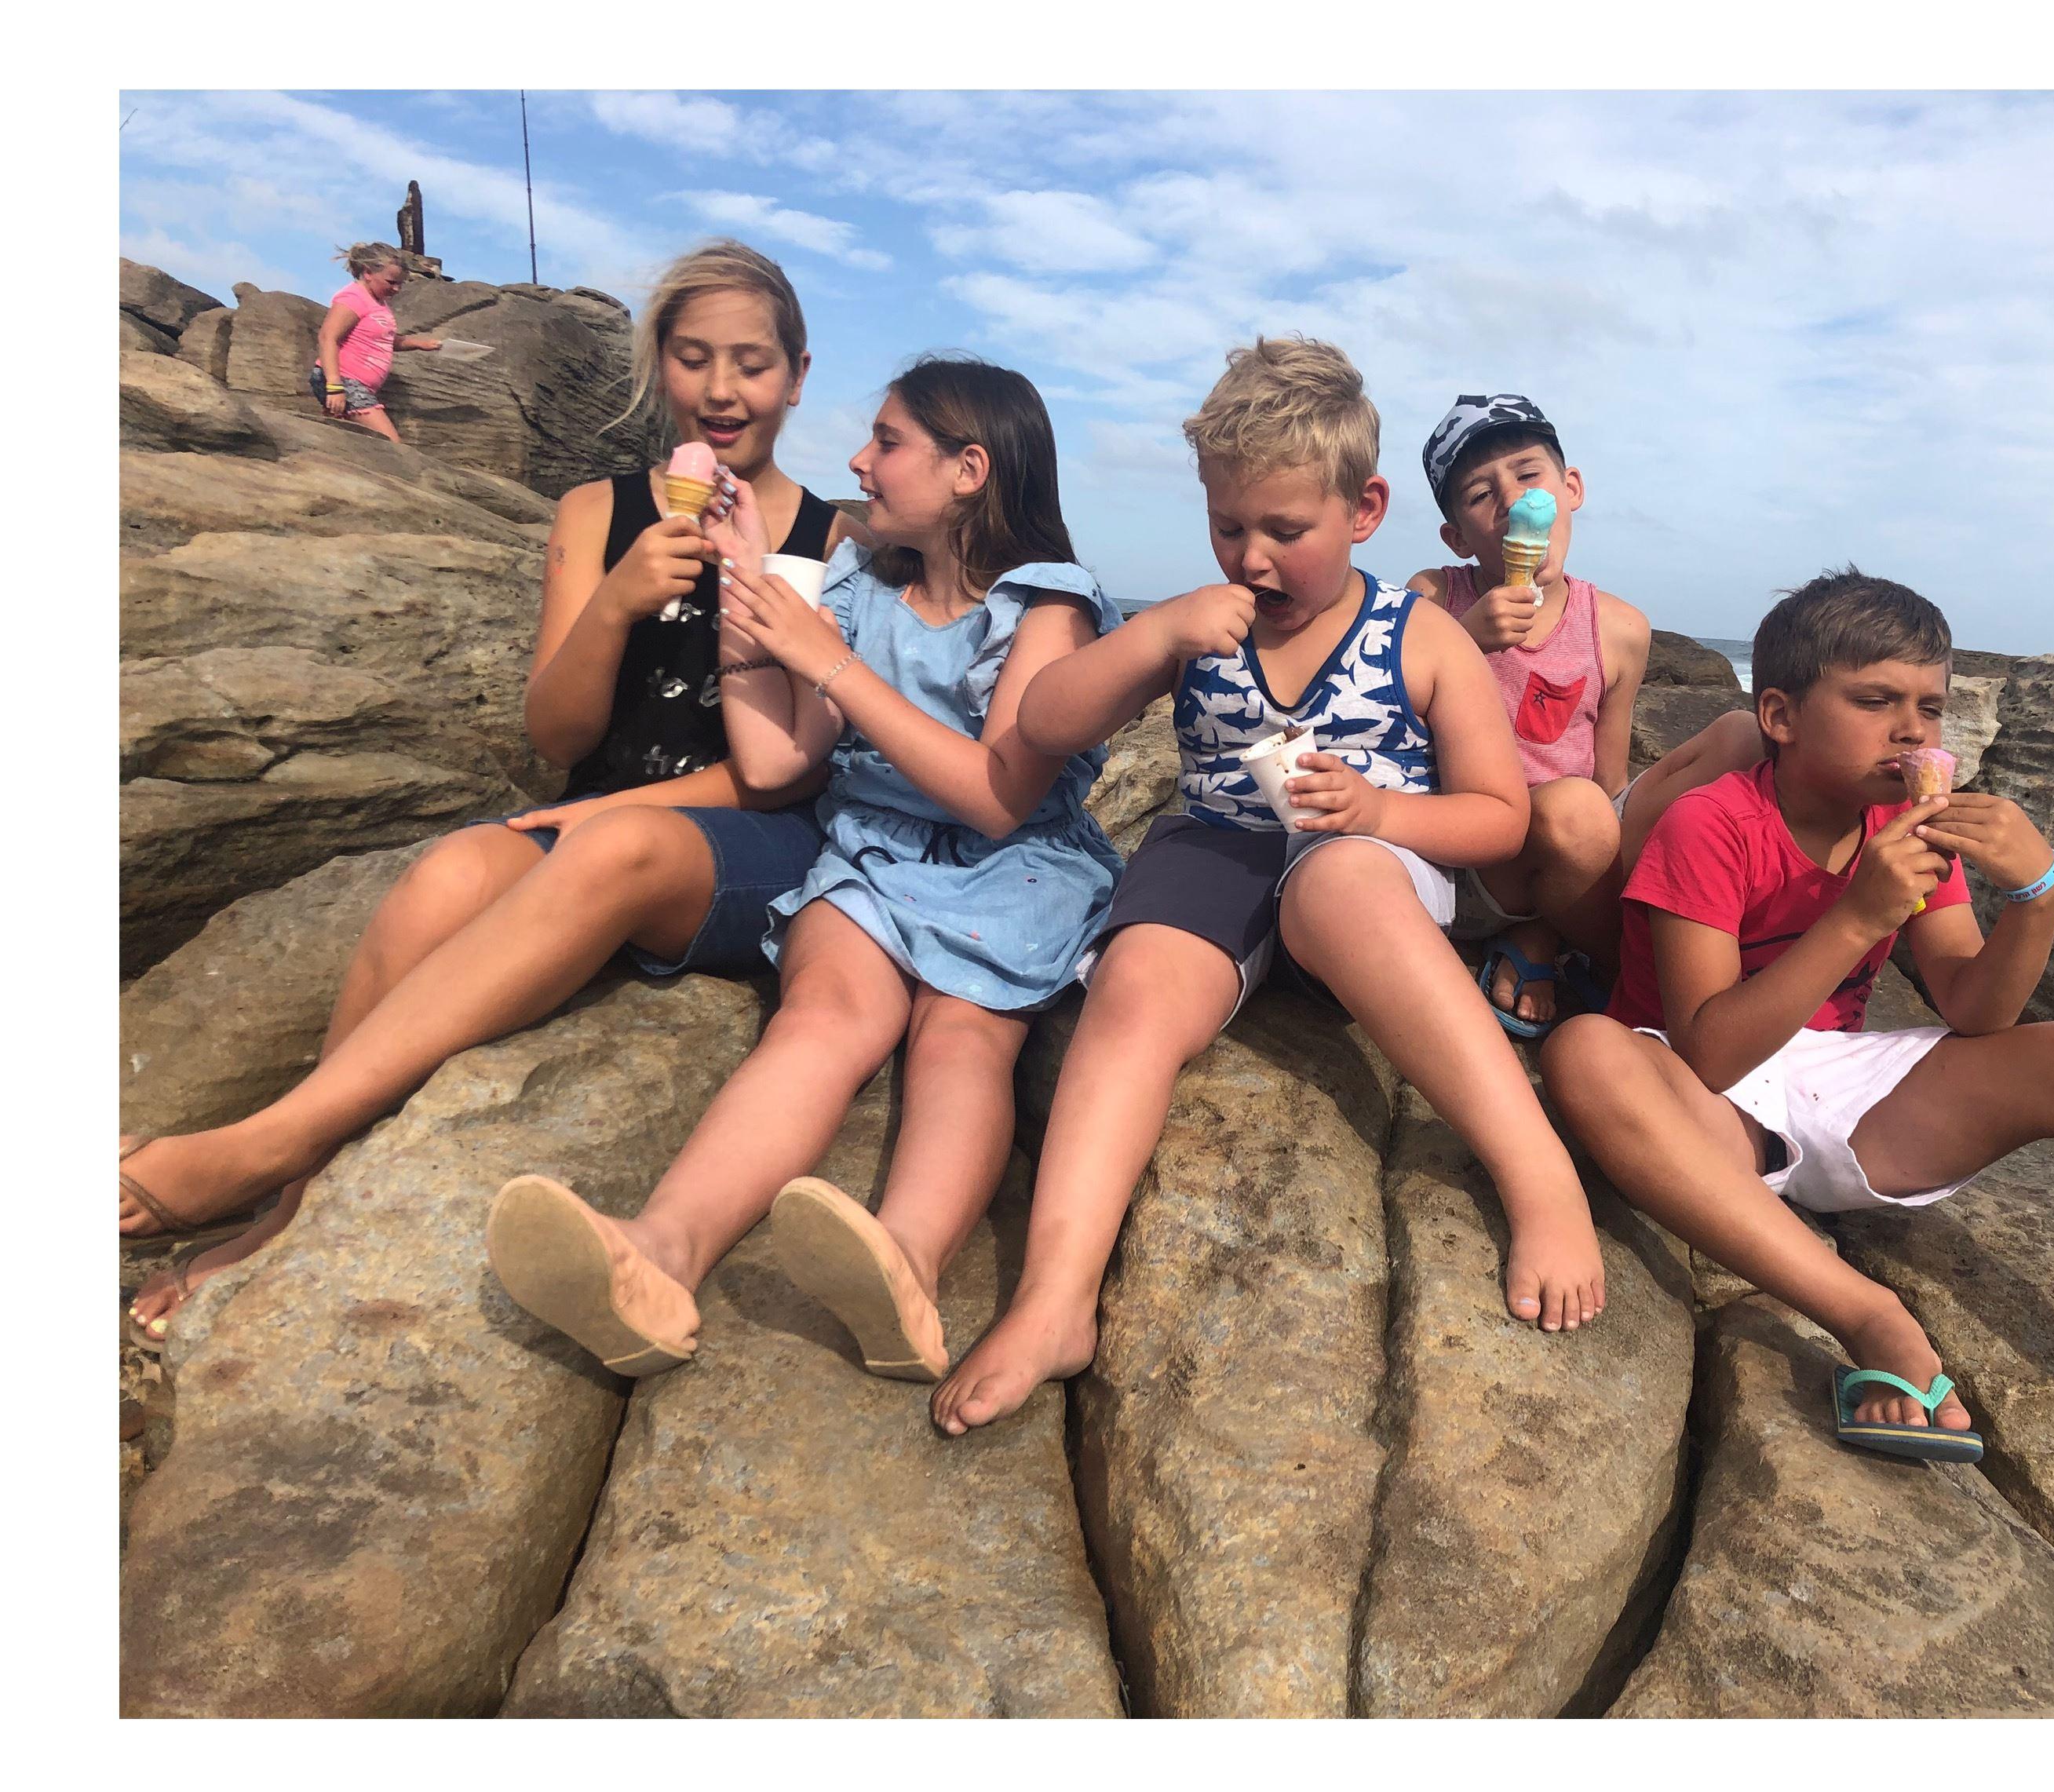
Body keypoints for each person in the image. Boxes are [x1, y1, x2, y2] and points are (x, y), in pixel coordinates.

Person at [122, 239, 861, 1344]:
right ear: (658, 365)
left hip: (740, 836)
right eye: (694, 358)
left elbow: (796, 771)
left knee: (616, 849)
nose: (721, 389)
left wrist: (611, 812)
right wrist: (615, 603)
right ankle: (291, 1199)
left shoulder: (833, 543)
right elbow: (556, 733)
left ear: (796, 378)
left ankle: (273, 1141)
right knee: (446, 874)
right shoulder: (595, 512)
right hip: (593, 818)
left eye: (752, 365)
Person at [927, 337, 1611, 1440]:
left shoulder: (1422, 636)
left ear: (1364, 509)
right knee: (1136, 987)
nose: (1252, 558)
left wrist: (1380, 813)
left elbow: (1499, 815)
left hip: (1367, 867)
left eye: (1285, 531)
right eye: (1227, 527)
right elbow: (1046, 723)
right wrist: (1158, 633)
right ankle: (1055, 1299)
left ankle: (1539, 1177)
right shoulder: (1200, 624)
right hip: (1219, 846)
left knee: (1340, 885)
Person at [1535, 568, 2054, 1557]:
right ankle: (1869, 1314)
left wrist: (2040, 896)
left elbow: (1976, 1008)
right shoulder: (1712, 822)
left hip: (1845, 1089)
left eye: (1930, 707)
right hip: (1701, 1104)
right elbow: (1710, 1051)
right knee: (1584, 1051)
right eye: (1875, 700)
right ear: (1780, 715)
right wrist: (1858, 917)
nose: (1911, 731)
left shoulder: (1909, 830)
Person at [483, 356, 1123, 1384]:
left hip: (1011, 868)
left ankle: (906, 1264)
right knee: (820, 1018)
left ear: (969, 470)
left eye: (888, 442)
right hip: (870, 851)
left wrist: (826, 660)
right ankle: (660, 1255)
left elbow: (996, 794)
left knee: (961, 1037)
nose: (859, 462)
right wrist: (749, 600)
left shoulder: (1048, 609)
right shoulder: (863, 588)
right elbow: (783, 760)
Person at [1407, 395, 1760, 1036]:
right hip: (1481, 859)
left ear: (1570, 489)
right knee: (1574, 812)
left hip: (1581, 833)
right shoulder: (1434, 598)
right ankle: (1633, 974)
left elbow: (1609, 777)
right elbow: (1384, 715)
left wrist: (1612, 849)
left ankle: (1556, 927)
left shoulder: (1620, 627)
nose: (1513, 501)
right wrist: (1462, 640)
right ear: (1457, 536)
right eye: (1481, 494)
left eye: (1528, 474)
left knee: (1742, 737)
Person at [309, 243, 445, 443]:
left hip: (358, 386)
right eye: (391, 282)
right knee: (391, 445)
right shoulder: (354, 297)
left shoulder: (379, 303)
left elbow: (384, 340)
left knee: (347, 442)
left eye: (400, 284)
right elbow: (328, 337)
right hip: (344, 381)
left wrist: (420, 344)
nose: (397, 289)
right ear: (368, 273)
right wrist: (335, 386)